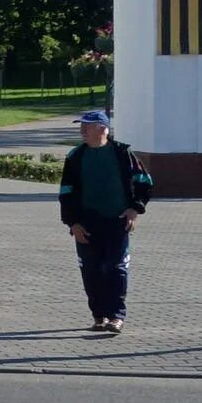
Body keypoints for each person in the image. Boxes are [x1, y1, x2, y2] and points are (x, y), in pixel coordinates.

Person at [56, 108, 152, 334]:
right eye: (81, 126)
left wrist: (134, 209)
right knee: (91, 271)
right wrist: (73, 223)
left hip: (116, 221)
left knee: (115, 268)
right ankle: (99, 316)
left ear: (103, 129)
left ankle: (116, 316)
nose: (82, 131)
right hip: (86, 223)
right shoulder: (76, 157)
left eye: (87, 126)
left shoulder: (122, 153)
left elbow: (144, 181)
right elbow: (66, 192)